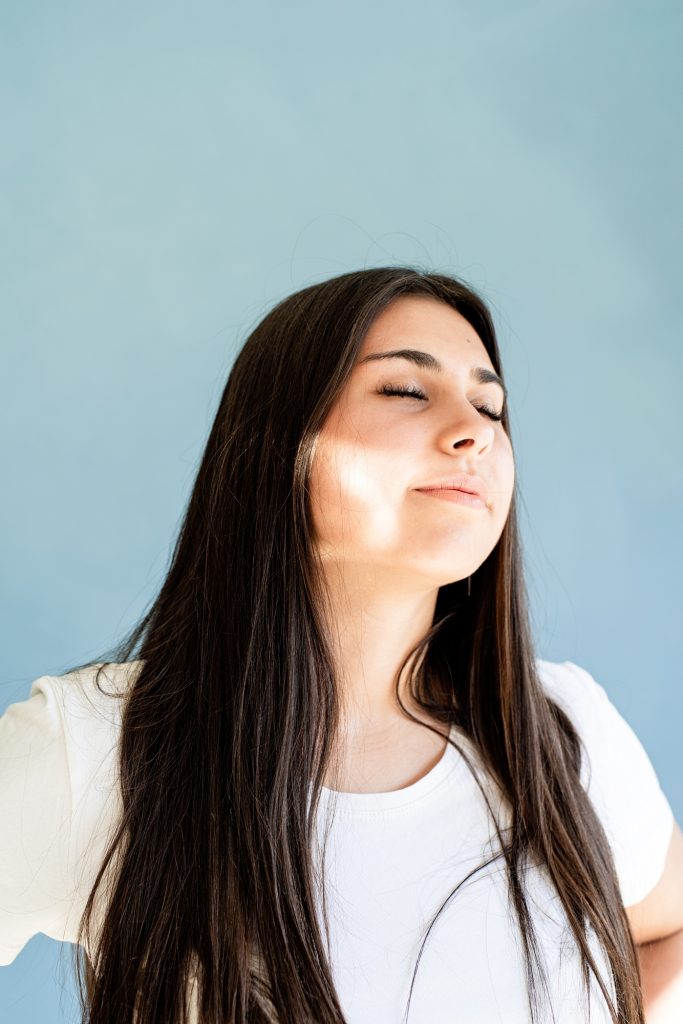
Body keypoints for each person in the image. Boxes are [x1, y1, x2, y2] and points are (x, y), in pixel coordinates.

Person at [0, 266, 680, 1024]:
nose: (476, 431)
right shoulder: (95, 750)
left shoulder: (565, 733)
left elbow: (668, 934)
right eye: (404, 391)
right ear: (275, 443)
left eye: (491, 406)